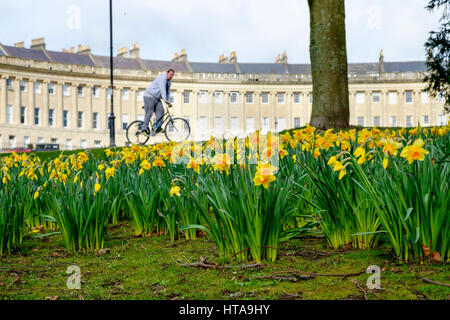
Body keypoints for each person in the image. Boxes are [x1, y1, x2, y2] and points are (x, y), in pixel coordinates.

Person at [141, 69, 174, 135]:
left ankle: (157, 128)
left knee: (161, 111)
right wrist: (165, 100)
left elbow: (168, 92)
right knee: (149, 112)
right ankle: (144, 129)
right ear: (167, 73)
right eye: (170, 74)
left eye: (172, 75)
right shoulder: (162, 78)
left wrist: (169, 101)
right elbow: (163, 90)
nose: (171, 76)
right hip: (149, 96)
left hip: (156, 98)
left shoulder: (169, 82)